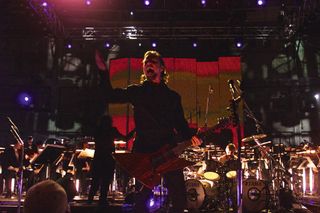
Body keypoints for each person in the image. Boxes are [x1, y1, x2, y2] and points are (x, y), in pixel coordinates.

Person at [105, 50, 202, 213]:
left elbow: (180, 124)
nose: (148, 64)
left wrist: (192, 136)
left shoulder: (172, 97)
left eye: (153, 62)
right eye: (146, 62)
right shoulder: (137, 92)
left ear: (162, 68)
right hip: (145, 153)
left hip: (167, 152)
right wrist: (102, 71)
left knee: (179, 199)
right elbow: (111, 95)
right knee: (141, 200)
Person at [87, 114, 126, 210]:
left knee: (95, 180)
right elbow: (125, 138)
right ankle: (102, 200)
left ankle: (90, 199)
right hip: (108, 158)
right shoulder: (112, 130)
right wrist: (135, 131)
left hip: (98, 158)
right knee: (105, 180)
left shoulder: (97, 130)